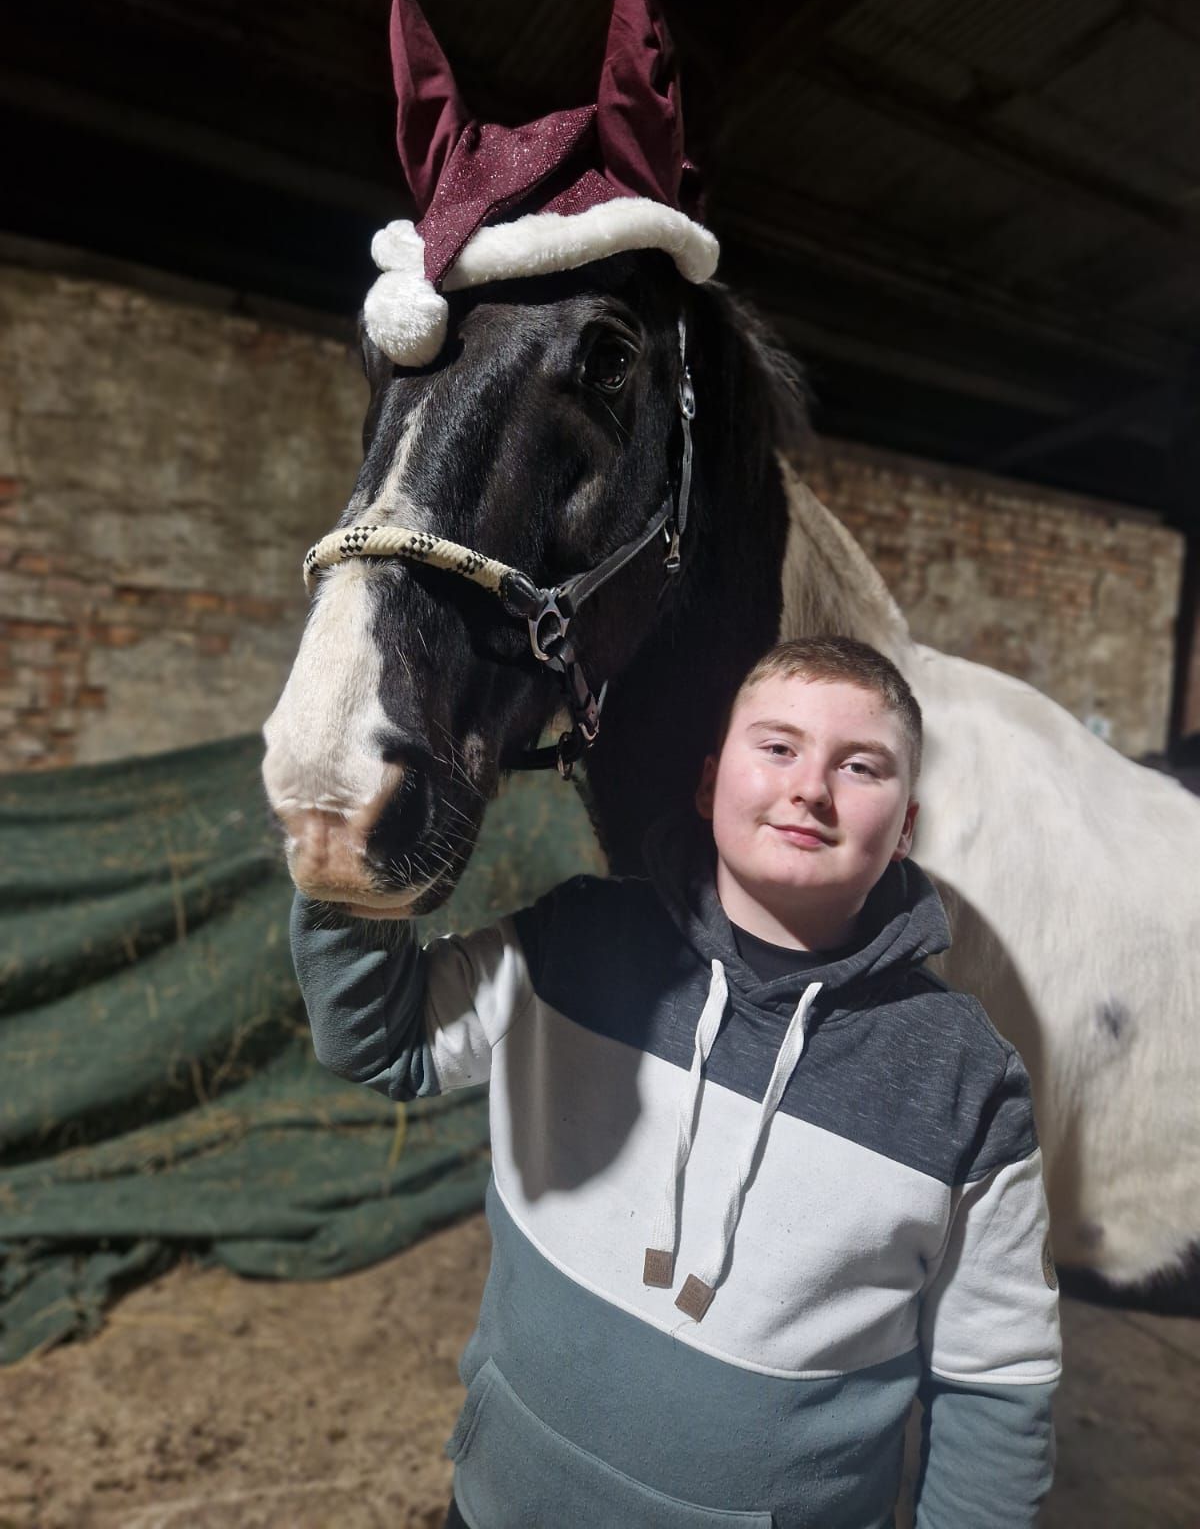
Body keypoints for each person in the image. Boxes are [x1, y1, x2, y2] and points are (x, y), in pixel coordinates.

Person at [291, 635, 1060, 1528]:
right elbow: (379, 1040)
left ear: (906, 832)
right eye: (778, 747)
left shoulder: (968, 1080)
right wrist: (349, 839)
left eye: (860, 766)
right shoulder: (573, 942)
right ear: (708, 783)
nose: (810, 788)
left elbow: (996, 1388)